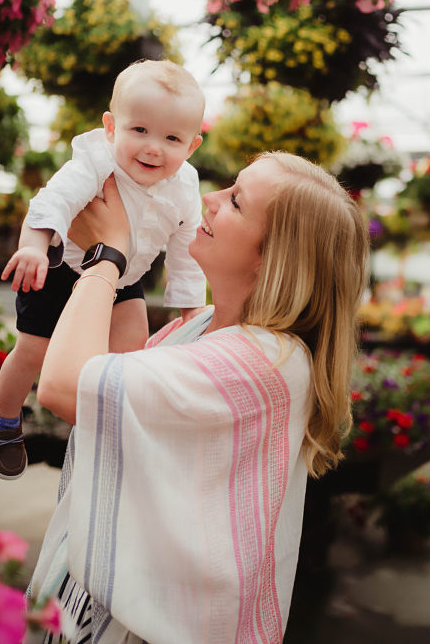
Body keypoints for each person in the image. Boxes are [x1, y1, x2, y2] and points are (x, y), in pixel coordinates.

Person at [27, 150, 369, 644]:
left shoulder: (261, 362)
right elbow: (113, 381)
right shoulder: (209, 328)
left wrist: (109, 257)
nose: (208, 198)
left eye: (236, 202)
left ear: (273, 257)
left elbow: (65, 387)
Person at [0, 59, 207, 481]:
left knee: (132, 348)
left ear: (192, 146)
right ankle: (5, 420)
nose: (153, 147)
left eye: (172, 138)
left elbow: (185, 249)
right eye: (139, 130)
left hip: (123, 277)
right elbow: (53, 201)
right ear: (111, 126)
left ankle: (108, 427)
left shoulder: (186, 186)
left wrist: (190, 309)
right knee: (34, 351)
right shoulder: (96, 161)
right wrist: (32, 246)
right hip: (61, 266)